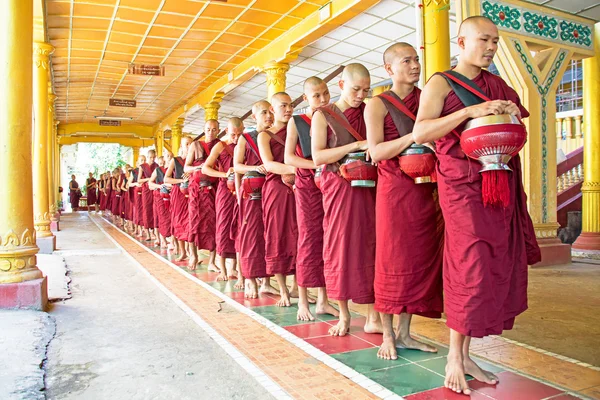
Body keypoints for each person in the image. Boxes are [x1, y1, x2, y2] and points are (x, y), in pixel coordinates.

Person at [412, 16, 541, 394]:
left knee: (490, 265)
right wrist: (469, 112)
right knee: (469, 262)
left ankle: (468, 355)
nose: (490, 47)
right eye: (484, 39)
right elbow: (421, 132)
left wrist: (507, 117)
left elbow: (515, 127)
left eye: (495, 41)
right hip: (462, 186)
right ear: (461, 40)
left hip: (498, 181)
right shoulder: (440, 82)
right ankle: (454, 355)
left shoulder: (497, 84)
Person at [365, 43, 443, 360]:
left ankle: (405, 333)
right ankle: (387, 335)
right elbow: (377, 152)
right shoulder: (377, 105)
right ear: (389, 69)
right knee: (391, 259)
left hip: (425, 190)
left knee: (417, 260)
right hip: (394, 192)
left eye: (417, 59)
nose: (414, 65)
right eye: (406, 60)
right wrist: (415, 135)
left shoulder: (428, 97)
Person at [311, 63, 382, 336]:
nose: (360, 95)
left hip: (370, 187)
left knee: (372, 246)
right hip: (340, 188)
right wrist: (355, 145)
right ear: (341, 85)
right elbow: (318, 157)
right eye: (355, 89)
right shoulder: (324, 115)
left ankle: (373, 317)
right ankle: (344, 314)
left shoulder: (370, 111)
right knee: (340, 248)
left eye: (366, 90)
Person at [284, 77, 338, 320]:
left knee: (327, 239)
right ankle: (303, 302)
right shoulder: (297, 122)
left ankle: (323, 300)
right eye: (316, 96)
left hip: (329, 184)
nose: (323, 99)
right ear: (306, 99)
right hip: (307, 186)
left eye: (325, 93)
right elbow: (289, 159)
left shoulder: (334, 116)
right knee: (308, 240)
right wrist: (316, 164)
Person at [233, 100, 278, 299]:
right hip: (251, 193)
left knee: (268, 234)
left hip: (271, 191)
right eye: (263, 113)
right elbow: (236, 166)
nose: (268, 116)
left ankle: (267, 282)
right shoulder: (246, 138)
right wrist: (254, 168)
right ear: (254, 117)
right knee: (251, 235)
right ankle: (250, 280)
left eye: (270, 112)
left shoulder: (276, 135)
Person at [257, 93, 298, 307]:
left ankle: (296, 287)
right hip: (276, 190)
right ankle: (283, 291)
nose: (288, 109)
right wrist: (298, 169)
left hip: (298, 188)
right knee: (277, 237)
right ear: (273, 109)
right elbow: (270, 165)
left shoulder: (299, 129)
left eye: (291, 105)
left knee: (300, 234)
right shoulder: (265, 136)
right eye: (283, 105)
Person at [203, 118, 243, 282]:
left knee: (239, 227)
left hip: (241, 189)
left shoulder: (245, 143)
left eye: (239, 135)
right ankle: (223, 270)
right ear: (226, 132)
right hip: (225, 191)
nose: (236, 138)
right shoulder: (220, 146)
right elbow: (206, 168)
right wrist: (224, 174)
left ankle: (235, 269)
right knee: (223, 226)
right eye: (233, 135)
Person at [185, 120, 220, 270]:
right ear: (203, 130)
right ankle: (193, 256)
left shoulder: (220, 146)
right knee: (194, 222)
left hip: (214, 188)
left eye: (214, 130)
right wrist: (200, 167)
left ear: (218, 131)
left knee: (214, 223)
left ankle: (212, 261)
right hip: (196, 190)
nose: (210, 132)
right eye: (208, 129)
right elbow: (186, 167)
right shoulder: (195, 145)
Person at [164, 136, 192, 262]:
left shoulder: (196, 161)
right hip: (178, 193)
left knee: (192, 222)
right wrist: (182, 180)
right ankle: (183, 251)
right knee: (179, 221)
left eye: (191, 144)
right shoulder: (176, 161)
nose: (189, 146)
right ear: (181, 146)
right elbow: (166, 179)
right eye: (186, 144)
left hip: (192, 192)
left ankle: (192, 253)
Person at [138, 150, 159, 242]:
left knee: (154, 211)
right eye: (150, 157)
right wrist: (149, 179)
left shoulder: (157, 166)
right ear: (147, 157)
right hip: (146, 190)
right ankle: (148, 233)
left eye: (154, 157)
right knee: (146, 210)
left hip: (154, 189)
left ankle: (155, 232)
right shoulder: (142, 167)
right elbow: (139, 180)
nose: (152, 159)